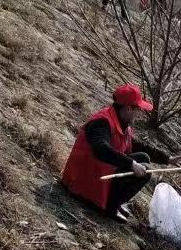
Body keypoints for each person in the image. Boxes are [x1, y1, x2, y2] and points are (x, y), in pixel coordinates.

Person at [62, 84, 171, 222]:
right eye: (138, 109)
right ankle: (108, 207)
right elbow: (102, 150)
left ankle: (113, 201)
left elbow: (135, 145)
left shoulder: (120, 121)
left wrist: (167, 159)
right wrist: (131, 164)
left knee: (143, 157)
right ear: (128, 109)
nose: (140, 113)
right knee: (145, 172)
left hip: (99, 173)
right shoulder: (101, 122)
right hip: (83, 182)